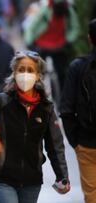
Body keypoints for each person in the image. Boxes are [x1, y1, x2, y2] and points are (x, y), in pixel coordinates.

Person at [0, 50, 70, 203]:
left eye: (30, 70)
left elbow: (55, 145)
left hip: (32, 180)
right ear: (14, 72)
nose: (25, 74)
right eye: (21, 69)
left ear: (38, 75)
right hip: (3, 178)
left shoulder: (46, 108)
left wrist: (62, 176)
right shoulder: (0, 103)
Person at [60, 19, 96, 203]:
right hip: (85, 142)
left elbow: (66, 110)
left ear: (90, 39)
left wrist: (76, 143)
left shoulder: (77, 67)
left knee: (92, 194)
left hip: (87, 143)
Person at [23, 0, 79, 90]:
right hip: (42, 43)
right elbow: (32, 27)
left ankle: (62, 94)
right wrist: (29, 41)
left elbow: (74, 27)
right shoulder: (45, 10)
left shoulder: (68, 10)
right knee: (37, 72)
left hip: (60, 45)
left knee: (62, 73)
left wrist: (69, 39)